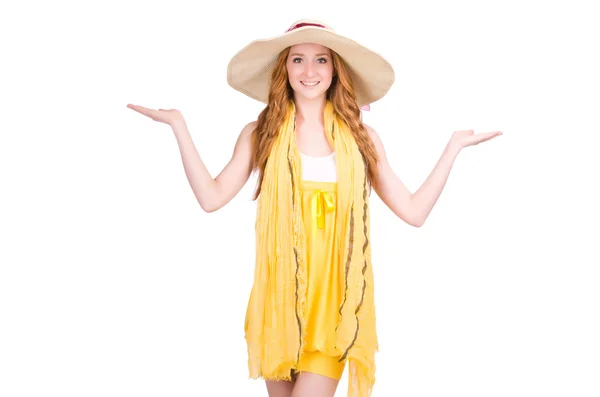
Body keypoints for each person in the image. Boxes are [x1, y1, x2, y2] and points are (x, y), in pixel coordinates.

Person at [127, 19, 502, 397]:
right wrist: (179, 126)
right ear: (284, 69)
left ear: (335, 68)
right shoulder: (263, 134)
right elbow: (211, 198)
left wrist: (452, 148)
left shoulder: (361, 139)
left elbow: (414, 211)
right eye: (298, 60)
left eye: (321, 60)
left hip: (335, 311)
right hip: (280, 308)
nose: (309, 71)